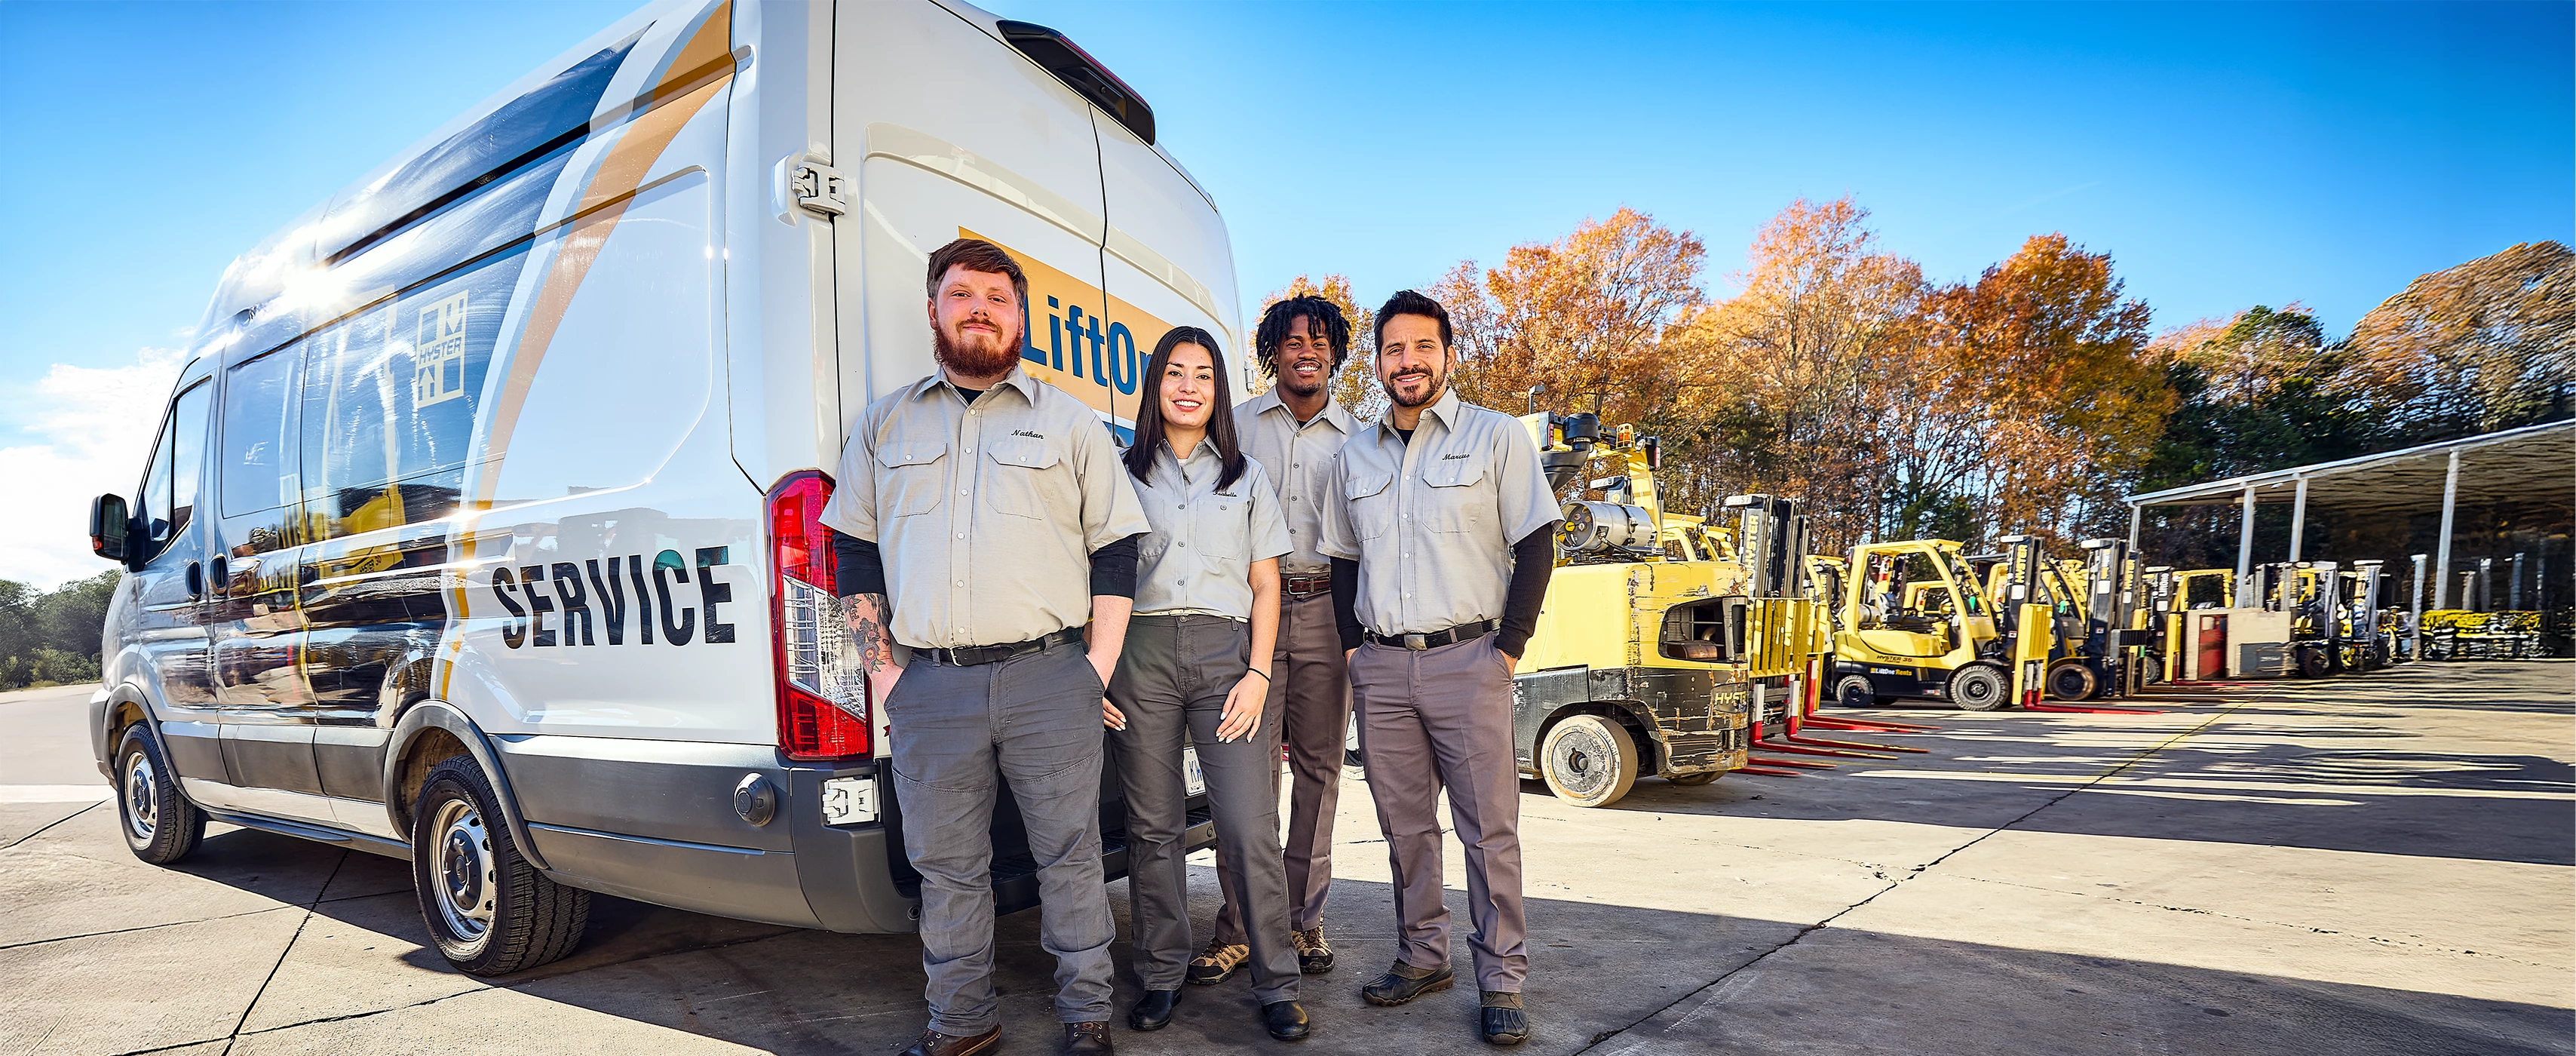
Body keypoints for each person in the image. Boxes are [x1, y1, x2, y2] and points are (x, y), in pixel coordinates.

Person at [823, 238, 1148, 1056]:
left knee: (1070, 858)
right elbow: (852, 553)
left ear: (1020, 316)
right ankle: (962, 1021)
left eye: (996, 297)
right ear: (931, 308)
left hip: (1050, 677)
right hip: (930, 686)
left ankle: (1086, 1016)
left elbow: (1116, 550)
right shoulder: (883, 423)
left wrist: (1094, 671)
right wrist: (887, 675)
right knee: (948, 868)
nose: (978, 308)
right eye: (960, 293)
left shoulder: (1068, 421)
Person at [1317, 289, 1559, 1047]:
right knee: (1405, 828)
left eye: (1422, 346)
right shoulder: (1352, 453)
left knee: (1488, 830)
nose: (1408, 360)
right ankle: (1423, 955)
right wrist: (1355, 652)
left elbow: (1536, 543)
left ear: (1447, 355)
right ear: (1378, 362)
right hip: (1383, 669)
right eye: (1393, 349)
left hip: (1469, 659)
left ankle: (1500, 976)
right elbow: (1340, 562)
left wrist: (1507, 649)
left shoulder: (1495, 438)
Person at [1107, 326, 1310, 1042]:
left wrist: (1258, 673)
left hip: (1228, 656)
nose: (1188, 386)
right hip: (1142, 654)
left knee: (1249, 824)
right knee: (1153, 825)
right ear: (1155, 384)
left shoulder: (1245, 476)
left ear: (1219, 390)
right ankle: (1160, 976)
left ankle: (1277, 982)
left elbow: (1266, 584)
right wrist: (1098, 667)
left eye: (1203, 374)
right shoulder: (1121, 472)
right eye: (1174, 373)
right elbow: (1095, 578)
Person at [1200, 296, 1365, 984]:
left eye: (1320, 342)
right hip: (1252, 622)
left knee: (1320, 778)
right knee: (1249, 781)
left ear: (1335, 354)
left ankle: (1303, 924)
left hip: (1329, 614)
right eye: (1293, 340)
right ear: (1274, 350)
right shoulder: (1231, 429)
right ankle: (1239, 929)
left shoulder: (1360, 440)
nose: (1307, 351)